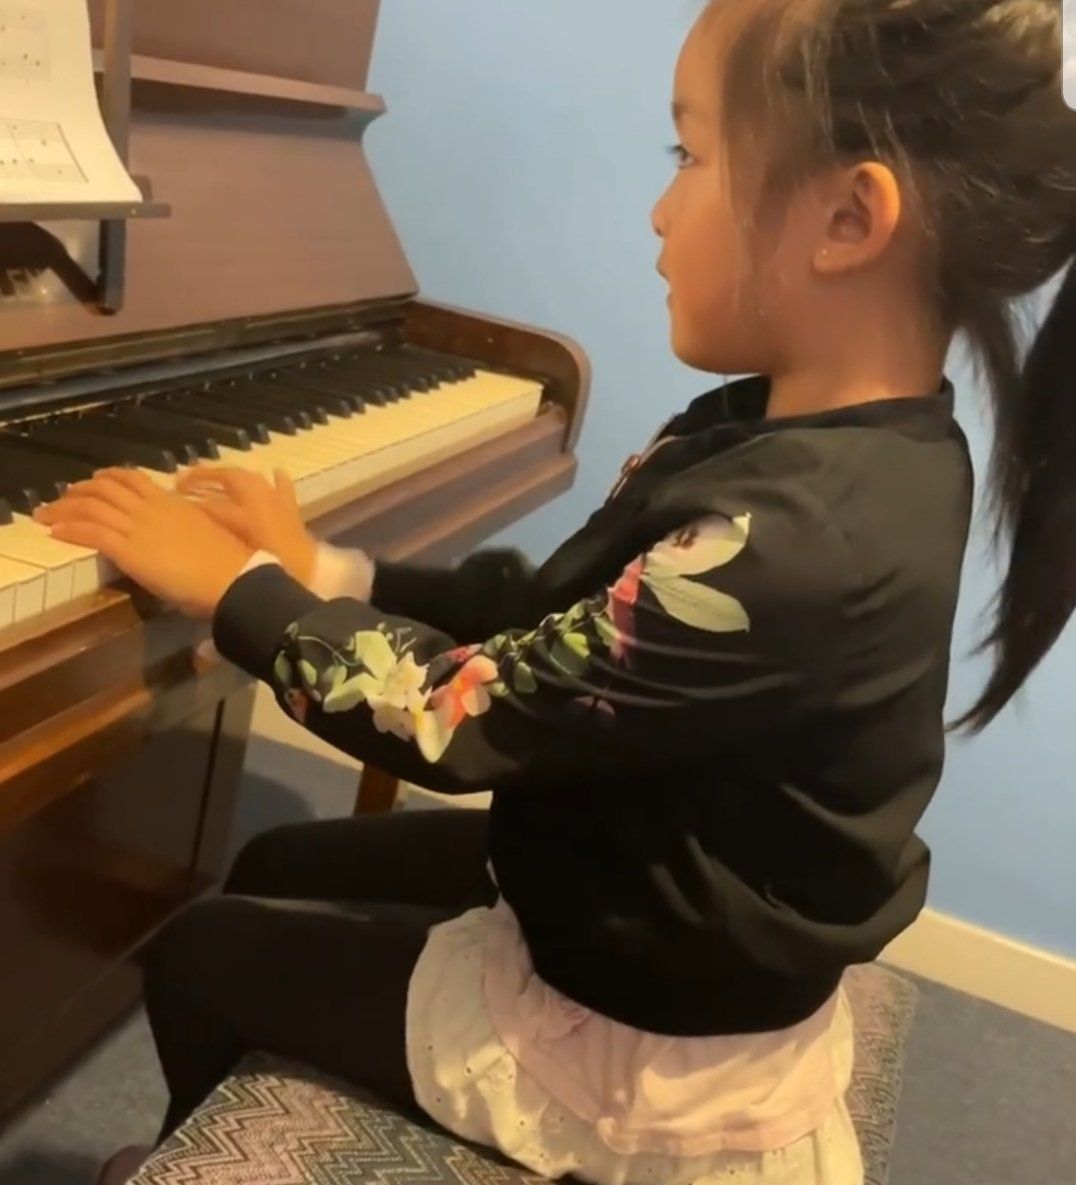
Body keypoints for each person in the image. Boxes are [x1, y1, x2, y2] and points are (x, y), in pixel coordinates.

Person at [40, 2, 1075, 1184]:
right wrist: (326, 572)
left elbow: (454, 717)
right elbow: (554, 613)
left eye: (686, 156)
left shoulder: (799, 538)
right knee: (280, 866)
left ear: (847, 218)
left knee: (200, 952)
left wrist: (240, 588)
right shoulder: (801, 442)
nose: (656, 206)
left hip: (645, 1032)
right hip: (638, 888)